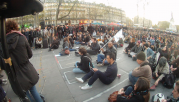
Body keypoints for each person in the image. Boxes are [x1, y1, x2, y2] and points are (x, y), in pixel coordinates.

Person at [5, 20, 44, 102]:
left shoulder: (4, 42)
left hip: (15, 71)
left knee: (25, 92)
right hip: (26, 67)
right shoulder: (21, 37)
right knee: (33, 89)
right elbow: (30, 54)